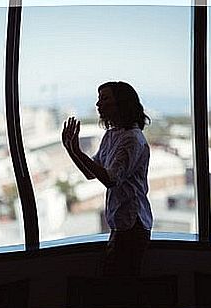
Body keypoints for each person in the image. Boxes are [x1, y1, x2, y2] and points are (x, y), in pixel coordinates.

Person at [61, 81, 153, 277]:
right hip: (121, 224)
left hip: (132, 225)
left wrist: (76, 150)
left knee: (119, 285)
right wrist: (71, 149)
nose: (98, 104)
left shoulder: (132, 138)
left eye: (105, 99)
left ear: (121, 103)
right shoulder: (111, 135)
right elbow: (90, 173)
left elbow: (111, 179)